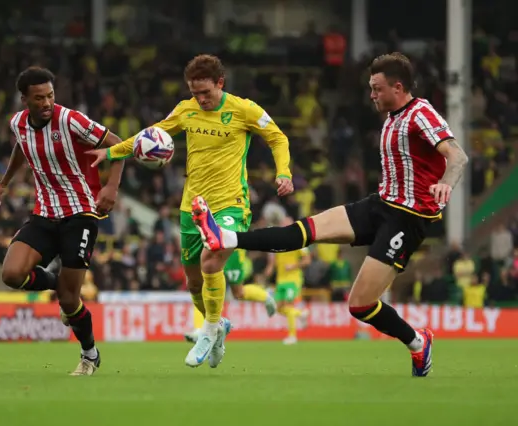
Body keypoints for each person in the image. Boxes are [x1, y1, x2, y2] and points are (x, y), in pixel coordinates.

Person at [193, 52, 469, 377]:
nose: (372, 95)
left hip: (405, 220)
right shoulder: (393, 118)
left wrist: (445, 184)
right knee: (305, 230)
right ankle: (227, 237)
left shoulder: (420, 112)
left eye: (377, 89)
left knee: (360, 306)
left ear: (398, 87)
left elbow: (457, 155)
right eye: (370, 88)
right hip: (379, 205)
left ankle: (418, 342)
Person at [90, 54, 293, 368]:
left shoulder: (244, 109)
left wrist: (284, 172)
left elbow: (277, 137)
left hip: (231, 204)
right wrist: (112, 151)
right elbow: (151, 134)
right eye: (195, 93)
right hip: (191, 207)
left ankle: (209, 328)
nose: (201, 99)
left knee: (212, 253)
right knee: (194, 282)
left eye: (206, 93)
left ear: (220, 84)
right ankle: (218, 324)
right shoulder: (186, 110)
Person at [0, 67, 125, 376]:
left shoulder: (70, 120)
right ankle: (58, 287)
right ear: (25, 100)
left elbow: (117, 145)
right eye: (39, 98)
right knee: (11, 274)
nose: (47, 102)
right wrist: (5, 182)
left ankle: (89, 354)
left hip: (81, 214)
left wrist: (111, 187)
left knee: (72, 299)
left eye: (50, 95)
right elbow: (22, 147)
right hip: (45, 213)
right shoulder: (18, 124)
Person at [264, 217, 311, 344]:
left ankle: (292, 336)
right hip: (281, 280)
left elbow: (307, 260)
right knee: (278, 308)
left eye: (287, 224)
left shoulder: (298, 241)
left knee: (289, 306)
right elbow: (273, 261)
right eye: (282, 224)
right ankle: (300, 314)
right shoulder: (277, 241)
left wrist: (293, 266)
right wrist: (269, 269)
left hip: (293, 279)